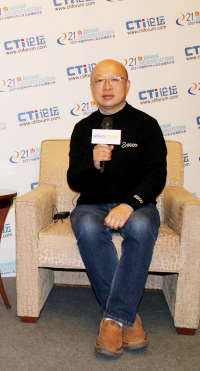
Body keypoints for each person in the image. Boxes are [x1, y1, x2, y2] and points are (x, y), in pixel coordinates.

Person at [67, 59, 167, 357]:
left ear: (127, 85)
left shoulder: (146, 125)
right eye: (100, 80)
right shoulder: (83, 128)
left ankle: (112, 320)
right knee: (86, 225)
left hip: (137, 205)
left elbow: (156, 176)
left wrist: (129, 204)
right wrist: (92, 162)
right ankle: (127, 319)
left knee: (141, 226)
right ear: (92, 87)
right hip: (92, 205)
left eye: (114, 79)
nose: (107, 86)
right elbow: (73, 179)